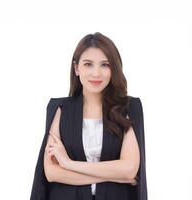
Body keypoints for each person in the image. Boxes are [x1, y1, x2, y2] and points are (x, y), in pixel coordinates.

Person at [30, 32, 148, 200]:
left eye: (105, 65)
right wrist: (116, 175)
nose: (96, 73)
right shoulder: (60, 109)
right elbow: (52, 173)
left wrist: (69, 164)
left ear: (113, 68)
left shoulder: (128, 108)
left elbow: (129, 169)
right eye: (88, 64)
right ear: (77, 68)